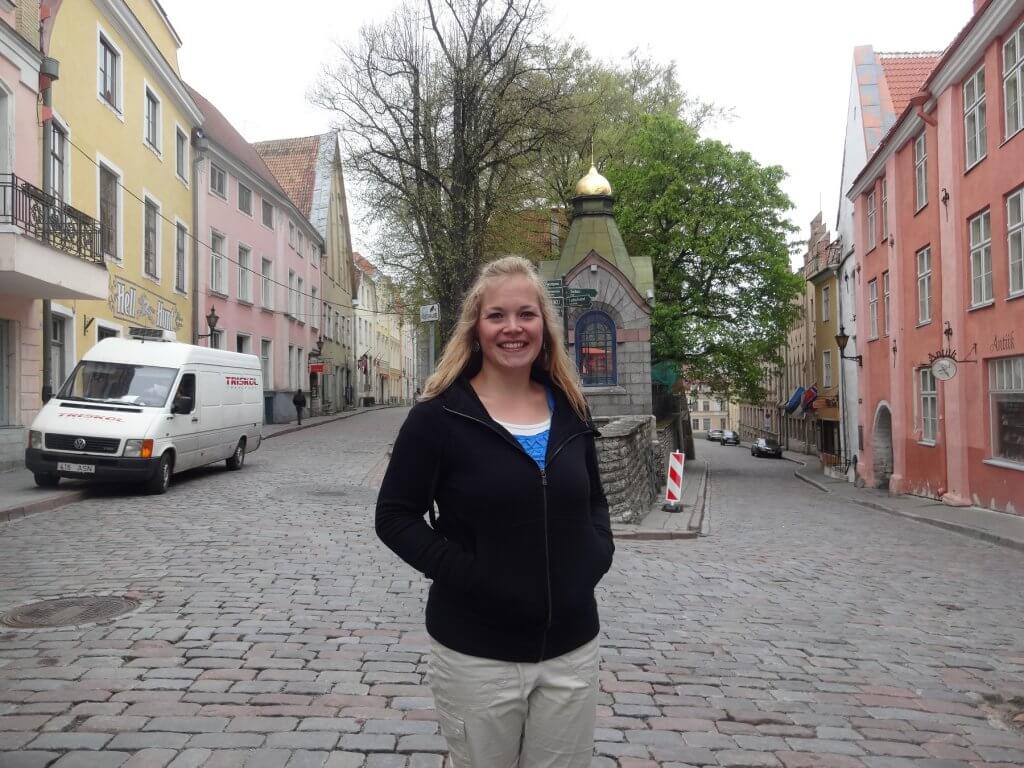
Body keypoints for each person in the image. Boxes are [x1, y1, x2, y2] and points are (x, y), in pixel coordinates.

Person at [375, 256, 613, 767]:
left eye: (526, 314)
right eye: (496, 316)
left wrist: (596, 554)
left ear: (544, 327)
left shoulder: (571, 407)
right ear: (476, 329)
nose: (512, 328)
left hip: (571, 650)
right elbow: (394, 516)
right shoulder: (438, 416)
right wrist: (471, 574)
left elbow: (593, 497)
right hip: (475, 654)